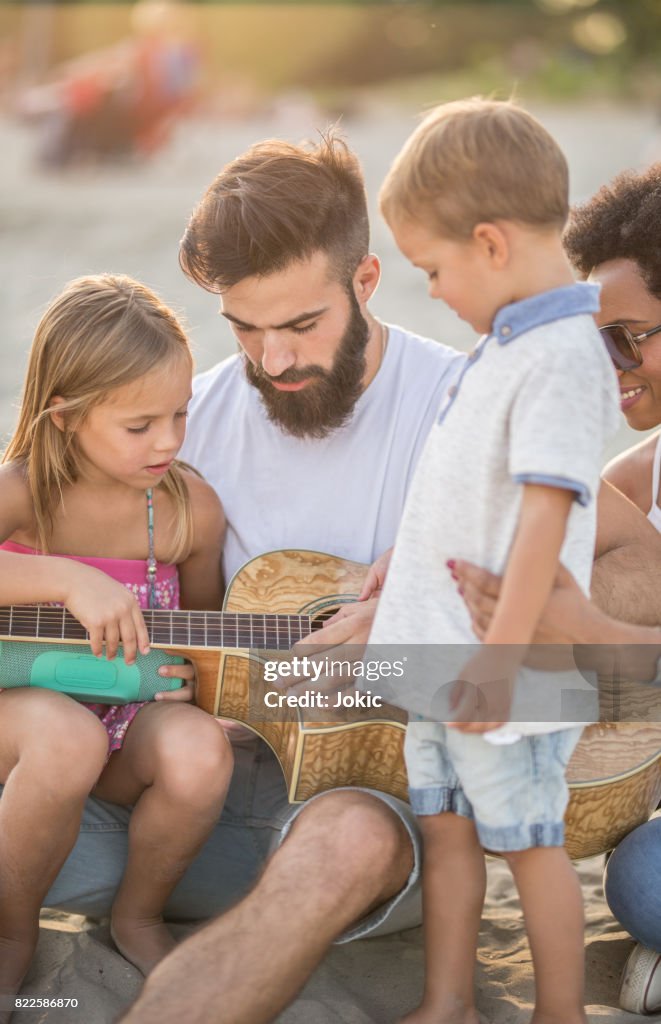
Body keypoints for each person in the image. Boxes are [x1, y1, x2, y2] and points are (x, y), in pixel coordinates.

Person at [21, 133, 660, 1024]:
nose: (272, 360)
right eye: (245, 327)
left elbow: (642, 565)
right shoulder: (177, 423)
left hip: (363, 805)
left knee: (343, 837)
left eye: (299, 325)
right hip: (170, 800)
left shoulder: (458, 405)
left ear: (364, 281)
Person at [366, 98, 620, 1024]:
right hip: (443, 654)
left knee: (528, 840)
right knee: (444, 827)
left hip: (498, 664)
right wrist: (410, 553)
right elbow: (475, 492)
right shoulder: (504, 344)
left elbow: (548, 511)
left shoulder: (556, 354)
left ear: (489, 243)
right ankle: (447, 1002)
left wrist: (503, 659)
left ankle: (557, 1013)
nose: (429, 289)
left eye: (432, 268)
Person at [452, 162, 661, 1016]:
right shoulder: (634, 483)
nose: (606, 365)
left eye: (629, 336)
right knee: (642, 879)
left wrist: (584, 623)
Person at [0, 274, 231, 1014]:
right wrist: (65, 578)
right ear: (65, 417)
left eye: (180, 415)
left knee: (200, 753)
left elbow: (206, 634)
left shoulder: (187, 508)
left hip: (129, 719)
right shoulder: (23, 491)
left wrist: (202, 686)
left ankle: (137, 915)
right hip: (24, 709)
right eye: (139, 425)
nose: (167, 441)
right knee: (68, 740)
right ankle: (10, 935)